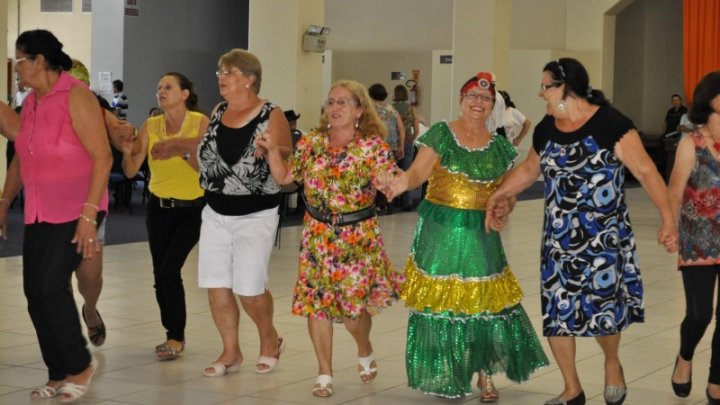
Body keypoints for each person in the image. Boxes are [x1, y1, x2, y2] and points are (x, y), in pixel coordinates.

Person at [484, 58, 678, 405]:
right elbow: (530, 169)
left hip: (604, 237)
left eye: (546, 86)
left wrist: (667, 219)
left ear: (566, 87)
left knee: (603, 309)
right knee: (557, 311)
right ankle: (572, 388)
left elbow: (647, 172)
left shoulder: (610, 123)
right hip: (558, 239)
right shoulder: (547, 127)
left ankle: (612, 363)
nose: (540, 93)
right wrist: (499, 193)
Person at [382, 71, 548, 401]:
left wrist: (504, 209)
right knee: (445, 305)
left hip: (481, 234)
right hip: (441, 231)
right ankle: (448, 371)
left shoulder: (500, 147)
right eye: (472, 96)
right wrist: (401, 182)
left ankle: (485, 374)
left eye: (485, 98)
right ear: (461, 101)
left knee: (483, 303)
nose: (478, 102)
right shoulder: (442, 134)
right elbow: (418, 173)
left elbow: (508, 193)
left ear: (493, 106)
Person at [257, 79, 404, 398]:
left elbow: (391, 186)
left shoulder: (372, 146)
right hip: (317, 235)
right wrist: (271, 150)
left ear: (359, 110)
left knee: (353, 314)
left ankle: (364, 347)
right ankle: (324, 372)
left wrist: (385, 181)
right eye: (331, 102)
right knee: (316, 305)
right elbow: (284, 178)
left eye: (343, 103)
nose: (334, 108)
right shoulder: (312, 143)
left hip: (357, 236)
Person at [1, 29, 112, 402]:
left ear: (40, 61)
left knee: (51, 285)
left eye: (20, 60)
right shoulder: (32, 101)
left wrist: (88, 214)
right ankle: (57, 370)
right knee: (35, 291)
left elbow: (103, 156)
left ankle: (80, 364)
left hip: (76, 208)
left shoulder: (76, 97)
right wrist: (4, 202)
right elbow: (22, 153)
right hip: (39, 209)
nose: (17, 69)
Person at [197, 49, 289, 378]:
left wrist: (272, 151)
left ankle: (269, 339)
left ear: (250, 79)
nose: (222, 77)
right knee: (216, 283)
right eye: (220, 71)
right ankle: (231, 350)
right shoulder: (219, 109)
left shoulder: (270, 113)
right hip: (215, 211)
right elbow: (206, 153)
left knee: (249, 288)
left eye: (231, 72)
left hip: (255, 214)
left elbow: (286, 163)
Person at [121, 72, 209, 361]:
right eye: (159, 87)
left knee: (170, 269)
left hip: (192, 209)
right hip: (158, 209)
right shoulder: (152, 124)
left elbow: (206, 170)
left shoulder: (201, 123)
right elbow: (132, 170)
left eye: (168, 87)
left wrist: (180, 150)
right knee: (161, 274)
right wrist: (126, 150)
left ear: (185, 93)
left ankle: (176, 336)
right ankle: (173, 334)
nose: (161, 91)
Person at [667, 71, 720, 404]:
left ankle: (716, 380)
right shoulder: (692, 144)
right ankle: (685, 356)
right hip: (698, 240)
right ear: (707, 110)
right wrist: (669, 227)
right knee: (699, 314)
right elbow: (674, 192)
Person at [368, 83, 404, 214]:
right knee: (390, 175)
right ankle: (388, 203)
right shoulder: (392, 109)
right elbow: (401, 129)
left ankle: (376, 204)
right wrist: (401, 146)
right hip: (391, 146)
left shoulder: (369, 110)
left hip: (374, 147)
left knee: (374, 175)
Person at [392, 85, 420, 211]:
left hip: (394, 142)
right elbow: (417, 129)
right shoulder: (411, 108)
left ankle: (391, 200)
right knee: (406, 170)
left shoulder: (391, 108)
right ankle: (407, 201)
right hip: (408, 141)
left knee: (392, 171)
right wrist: (411, 140)